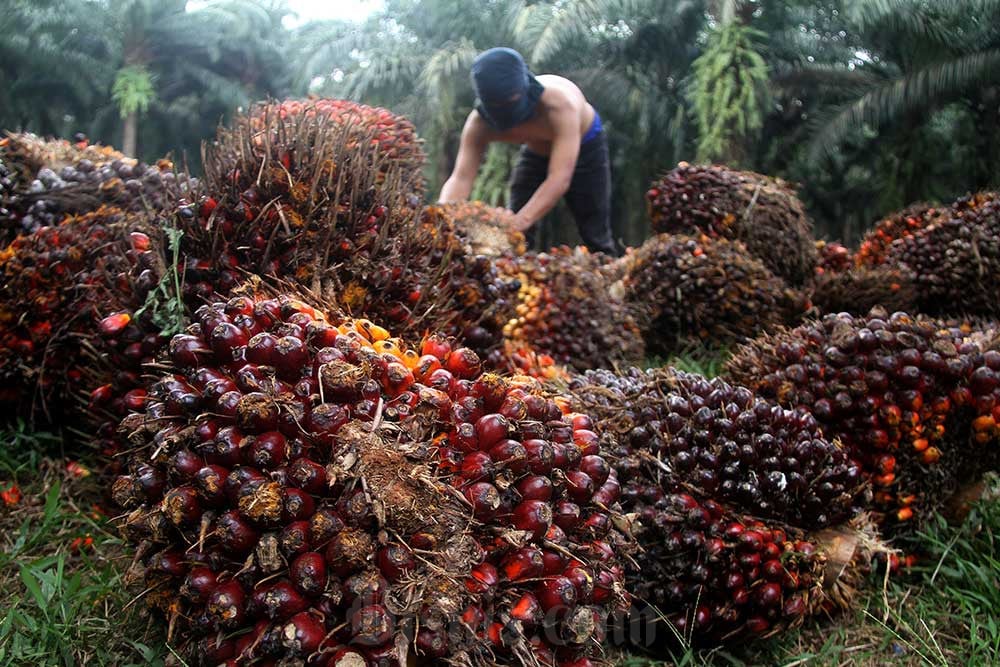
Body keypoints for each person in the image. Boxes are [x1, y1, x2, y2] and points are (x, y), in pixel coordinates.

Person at [438, 47, 622, 256]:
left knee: (594, 230)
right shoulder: (479, 123)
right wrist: (441, 219)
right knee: (518, 237)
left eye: (510, 102)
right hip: (536, 151)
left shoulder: (559, 106)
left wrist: (516, 223)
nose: (503, 109)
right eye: (496, 106)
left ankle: (609, 273)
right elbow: (461, 178)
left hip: (585, 147)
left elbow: (559, 178)